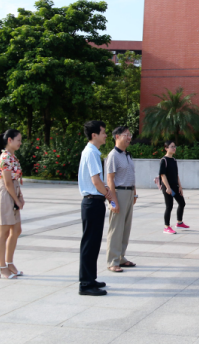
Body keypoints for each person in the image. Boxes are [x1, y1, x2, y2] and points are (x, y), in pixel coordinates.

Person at [78, 120, 114, 296]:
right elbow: (95, 180)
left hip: (93, 202)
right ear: (94, 135)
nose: (106, 135)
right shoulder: (91, 152)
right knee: (90, 244)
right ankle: (86, 284)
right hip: (92, 202)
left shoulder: (91, 151)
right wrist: (108, 194)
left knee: (92, 244)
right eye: (103, 132)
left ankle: (90, 279)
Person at [105, 126, 138, 272]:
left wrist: (134, 193)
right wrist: (113, 201)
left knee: (125, 228)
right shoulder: (113, 155)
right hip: (119, 193)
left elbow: (132, 175)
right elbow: (110, 180)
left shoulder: (127, 155)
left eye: (130, 135)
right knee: (116, 228)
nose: (129, 138)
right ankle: (112, 261)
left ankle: (121, 257)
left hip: (129, 193)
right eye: (126, 135)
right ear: (117, 136)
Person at [0, 129, 24, 280]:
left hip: (13, 193)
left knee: (16, 230)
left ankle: (9, 263)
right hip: (6, 195)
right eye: (18, 140)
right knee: (3, 232)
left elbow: (15, 180)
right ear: (10, 140)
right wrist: (16, 200)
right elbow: (7, 182)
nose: (20, 143)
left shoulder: (12, 157)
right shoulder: (5, 157)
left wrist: (20, 196)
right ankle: (1, 266)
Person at [160, 140, 188, 234]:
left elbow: (176, 175)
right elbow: (163, 175)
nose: (174, 148)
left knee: (182, 203)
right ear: (166, 148)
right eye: (172, 146)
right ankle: (166, 227)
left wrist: (180, 186)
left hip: (175, 186)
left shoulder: (174, 160)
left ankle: (179, 222)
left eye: (174, 146)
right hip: (167, 187)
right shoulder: (164, 160)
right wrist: (167, 187)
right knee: (169, 206)